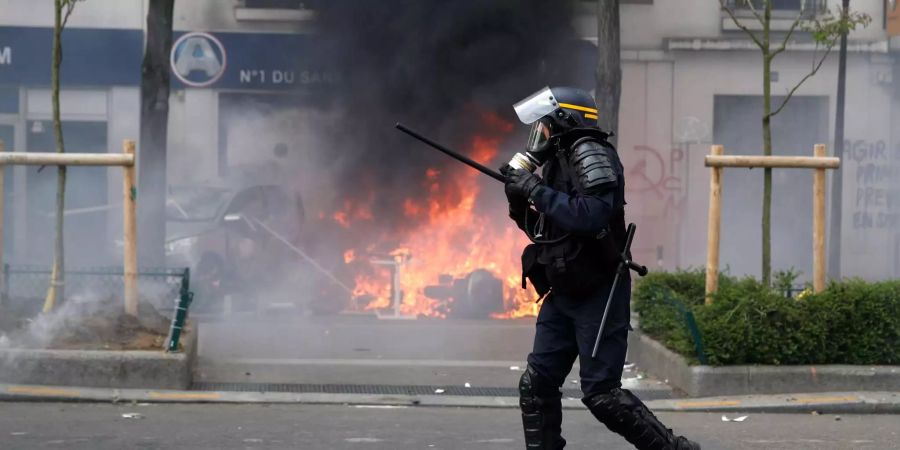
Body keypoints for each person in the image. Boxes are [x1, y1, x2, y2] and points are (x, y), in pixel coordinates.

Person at [501, 86, 700, 450]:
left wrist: (535, 189)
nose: (539, 135)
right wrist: (519, 200)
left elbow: (590, 217)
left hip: (597, 291)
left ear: (564, 121)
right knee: (537, 383)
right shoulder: (557, 162)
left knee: (601, 394)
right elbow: (546, 230)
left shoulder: (591, 153)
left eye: (544, 126)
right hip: (563, 289)